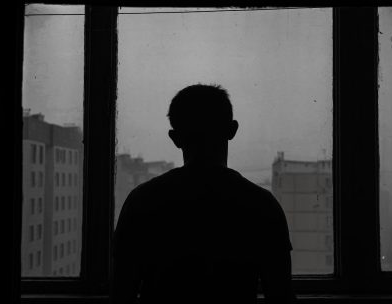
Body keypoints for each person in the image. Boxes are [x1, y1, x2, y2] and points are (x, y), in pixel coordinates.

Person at [112, 84, 294, 304]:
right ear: (232, 129)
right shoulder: (262, 205)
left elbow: (122, 292)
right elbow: (281, 295)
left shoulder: (142, 201)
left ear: (175, 138)